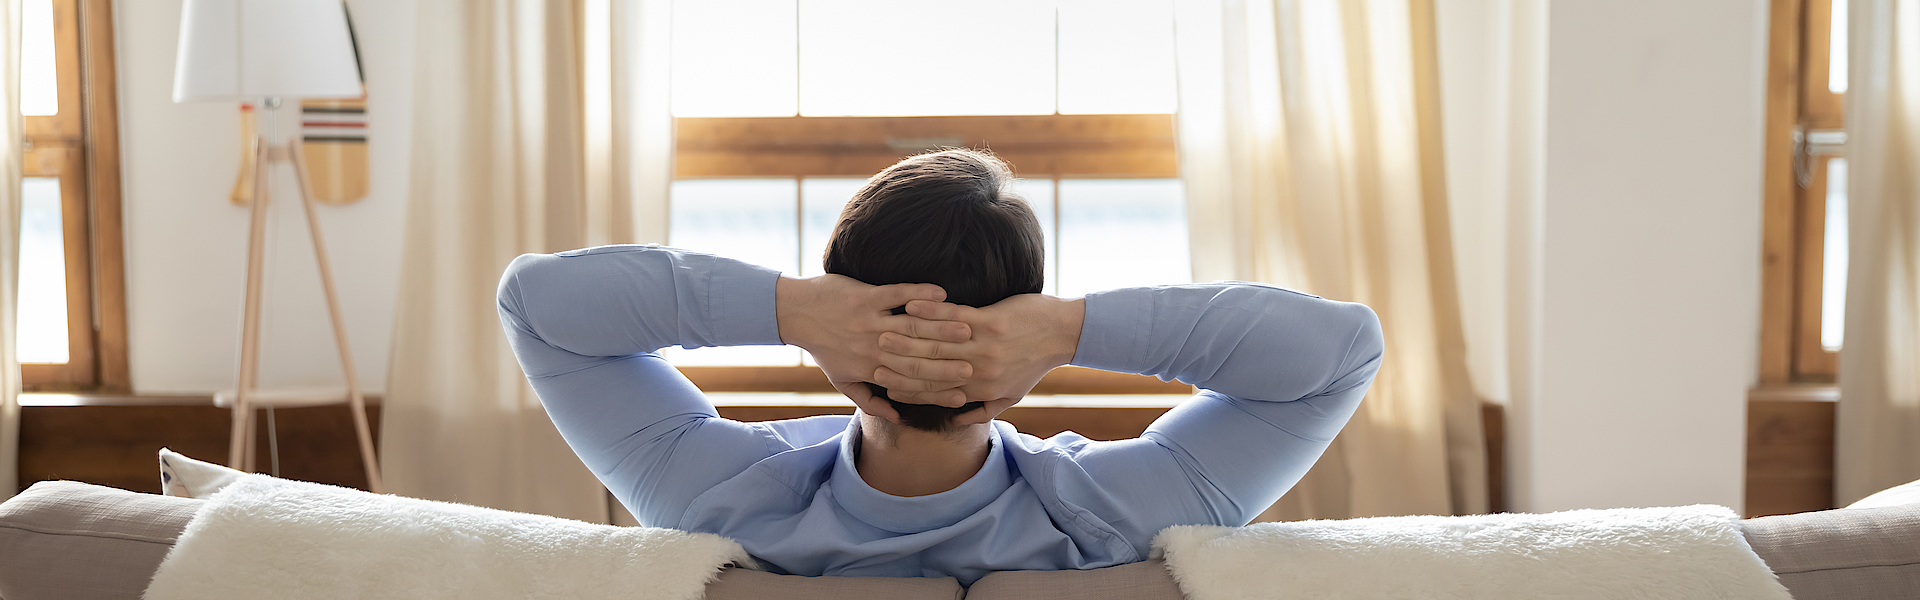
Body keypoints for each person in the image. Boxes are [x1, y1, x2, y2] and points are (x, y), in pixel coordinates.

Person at [496, 149, 1383, 584]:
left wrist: (794, 310)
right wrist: (1071, 329)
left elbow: (536, 304)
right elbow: (1342, 353)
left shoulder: (720, 498)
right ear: (1021, 325)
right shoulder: (1113, 516)